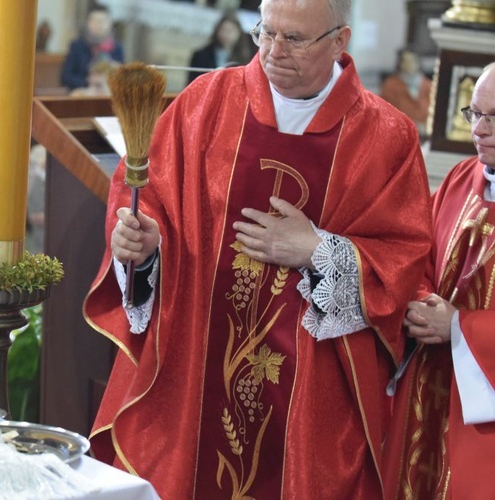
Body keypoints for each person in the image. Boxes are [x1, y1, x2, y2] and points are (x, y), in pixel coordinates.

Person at [83, 0, 433, 498]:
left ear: (339, 41)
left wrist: (316, 249)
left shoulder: (385, 135)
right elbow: (148, 197)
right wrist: (145, 244)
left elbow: (403, 256)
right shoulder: (205, 103)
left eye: (293, 39)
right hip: (193, 369)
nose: (272, 52)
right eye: (264, 33)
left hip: (311, 391)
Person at [383, 62, 495, 500]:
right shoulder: (458, 179)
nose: (478, 130)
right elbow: (416, 256)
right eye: (474, 113)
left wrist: (459, 328)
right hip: (428, 386)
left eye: (493, 118)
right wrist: (425, 304)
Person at [60, 4, 123, 91]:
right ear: (88, 22)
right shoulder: (77, 46)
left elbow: (123, 78)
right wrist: (90, 82)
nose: (98, 25)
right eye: (95, 21)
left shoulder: (117, 47)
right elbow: (65, 77)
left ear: (110, 23)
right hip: (83, 95)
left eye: (102, 21)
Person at [187, 11, 255, 85]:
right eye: (223, 30)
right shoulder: (200, 55)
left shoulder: (245, 58)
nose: (226, 35)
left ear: (238, 33)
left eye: (230, 31)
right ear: (217, 30)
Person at [380, 48, 432, 137]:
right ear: (400, 64)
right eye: (406, 61)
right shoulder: (391, 86)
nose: (410, 65)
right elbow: (385, 114)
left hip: (424, 136)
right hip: (398, 135)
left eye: (412, 61)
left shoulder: (429, 86)